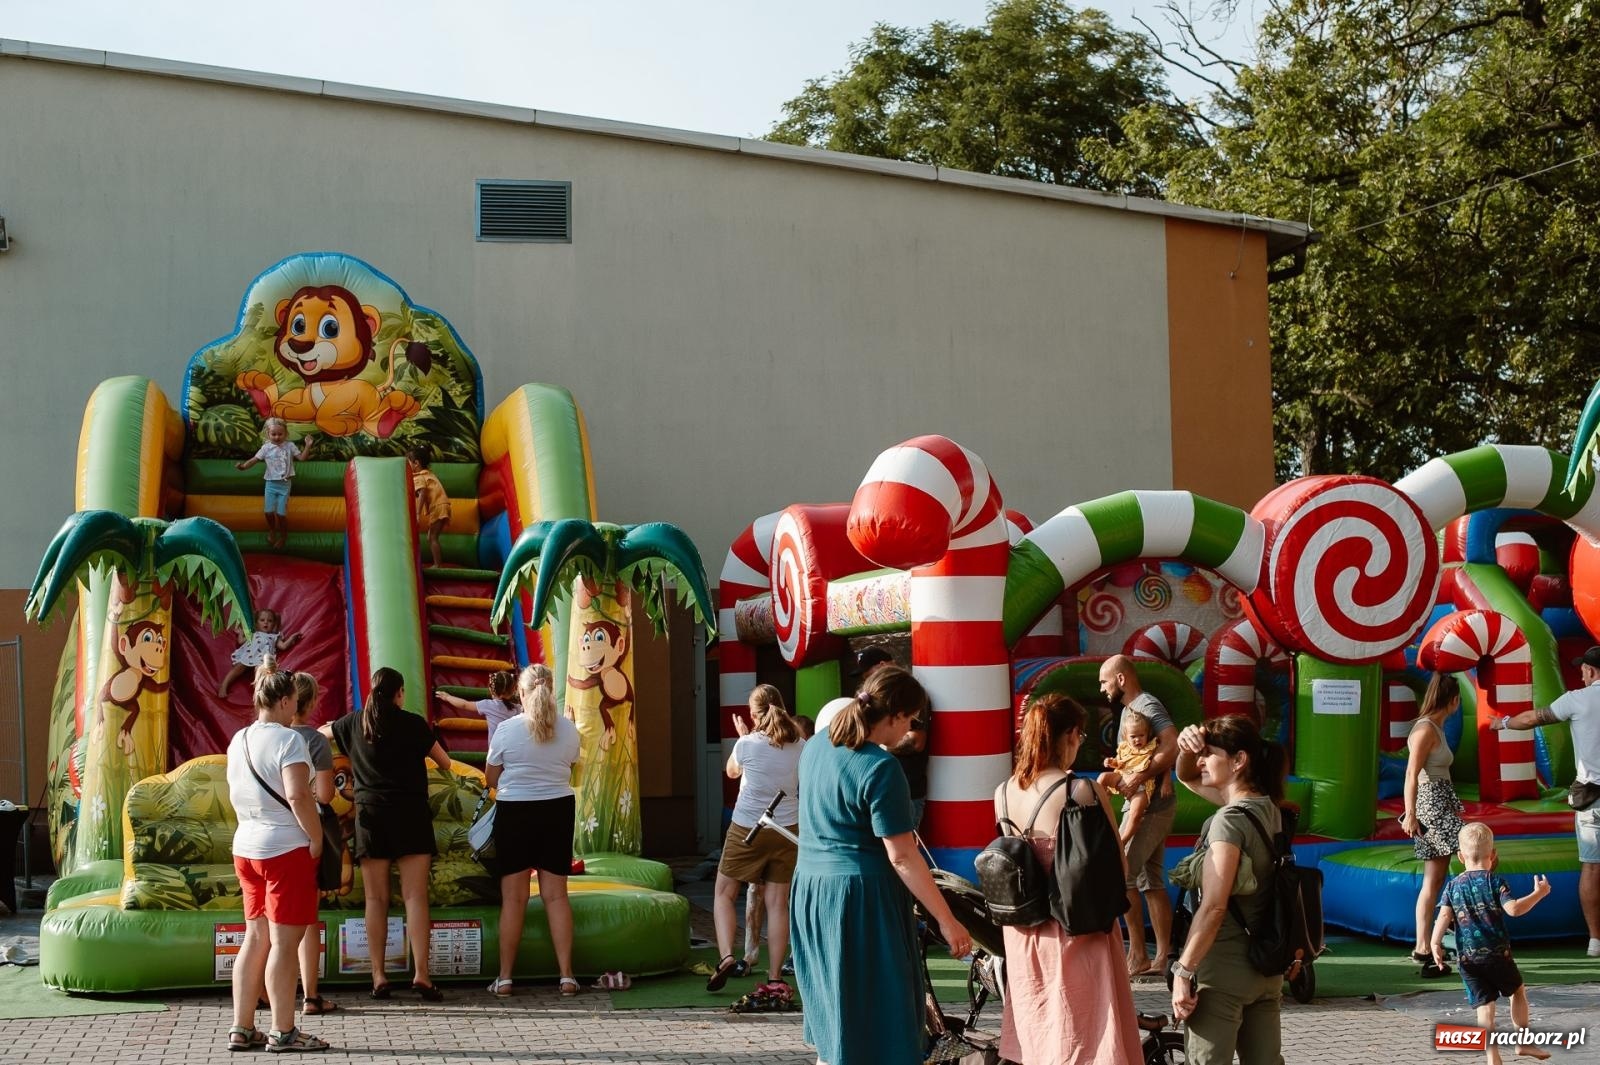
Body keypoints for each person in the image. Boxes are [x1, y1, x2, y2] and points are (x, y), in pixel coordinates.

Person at [790, 664, 973, 1065]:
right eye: (908, 719)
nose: (908, 731)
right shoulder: (880, 767)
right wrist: (946, 919)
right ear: (892, 715)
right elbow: (903, 855)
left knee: (837, 1015)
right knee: (880, 1016)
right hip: (859, 900)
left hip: (811, 891)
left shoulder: (817, 745)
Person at [994, 692, 1143, 1065]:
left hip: (1025, 933)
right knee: (1086, 1034)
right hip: (1077, 926)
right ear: (1071, 735)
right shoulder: (1081, 791)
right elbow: (1118, 869)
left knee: (1040, 1030)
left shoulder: (1003, 793)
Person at [323, 667, 451, 1000]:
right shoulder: (413, 724)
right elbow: (446, 763)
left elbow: (320, 734)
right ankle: (422, 974)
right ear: (399, 693)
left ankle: (379, 976)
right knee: (415, 897)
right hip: (411, 816)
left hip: (371, 818)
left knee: (376, 900)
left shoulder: (353, 723)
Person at [1169, 714, 1287, 1065]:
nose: (1201, 760)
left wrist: (1184, 970)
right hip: (1266, 971)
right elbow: (1185, 774)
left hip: (1221, 977)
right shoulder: (1268, 810)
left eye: (1209, 753)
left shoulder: (1229, 821)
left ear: (1239, 760)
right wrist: (1187, 747)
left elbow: (1215, 906)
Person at [224, 669, 329, 1052]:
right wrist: (316, 838)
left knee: (255, 938)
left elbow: (236, 791)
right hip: (285, 849)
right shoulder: (288, 740)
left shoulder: (239, 739)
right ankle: (283, 1031)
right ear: (284, 701)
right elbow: (300, 796)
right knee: (286, 944)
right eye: (292, 704)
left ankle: (241, 1026)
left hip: (246, 847)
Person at [1492, 645, 1600, 958]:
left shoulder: (1576, 699)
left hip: (1592, 797)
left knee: (1592, 868)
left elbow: (1533, 718)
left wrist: (1504, 722)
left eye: (1583, 668)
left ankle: (1595, 940)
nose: (1580, 672)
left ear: (1591, 672)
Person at [483, 665, 583, 997]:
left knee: (513, 899)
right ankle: (567, 976)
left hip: (515, 812)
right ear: (551, 691)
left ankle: (506, 978)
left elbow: (491, 779)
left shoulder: (506, 731)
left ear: (520, 694)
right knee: (556, 897)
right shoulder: (569, 730)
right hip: (557, 810)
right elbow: (570, 770)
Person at [707, 684, 804, 1002]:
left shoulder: (747, 744)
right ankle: (775, 976)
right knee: (778, 903)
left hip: (747, 826)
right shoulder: (800, 744)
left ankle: (725, 956)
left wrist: (742, 737)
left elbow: (732, 772)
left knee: (724, 892)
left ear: (753, 714)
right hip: (786, 827)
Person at [1428, 823, 1554, 1064]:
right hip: (1497, 955)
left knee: (1484, 1008)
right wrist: (1539, 894)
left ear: (1460, 856)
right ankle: (1523, 1042)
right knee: (1517, 992)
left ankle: (1492, 1056)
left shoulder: (1453, 886)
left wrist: (1434, 943)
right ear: (1493, 854)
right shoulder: (1495, 882)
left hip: (1468, 959)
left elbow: (1444, 916)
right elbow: (1514, 909)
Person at [1097, 654, 1179, 977]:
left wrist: (1139, 777)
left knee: (1124, 874)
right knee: (1151, 880)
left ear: (1120, 679)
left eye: (1104, 682)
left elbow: (1171, 744)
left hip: (1150, 808)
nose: (1102, 689)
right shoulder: (1133, 710)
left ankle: (1138, 955)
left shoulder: (1146, 706)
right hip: (1149, 806)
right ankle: (1160, 957)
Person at [1399, 672, 1464, 976]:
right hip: (1431, 804)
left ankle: (1435, 936)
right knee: (1437, 876)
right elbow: (1411, 773)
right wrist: (1410, 813)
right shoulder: (1426, 729)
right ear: (1453, 701)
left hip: (1442, 802)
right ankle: (1425, 942)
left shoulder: (1438, 726)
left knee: (1439, 877)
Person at [290, 670, 338, 1016]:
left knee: (265, 921)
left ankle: (263, 991)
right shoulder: (316, 742)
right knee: (307, 918)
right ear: (311, 703)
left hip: (260, 837)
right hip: (304, 834)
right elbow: (323, 794)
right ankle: (310, 995)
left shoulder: (259, 736)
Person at [235, 417, 314, 549]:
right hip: (270, 484)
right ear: (268, 434)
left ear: (286, 434)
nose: (277, 437)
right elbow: (254, 460)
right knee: (268, 512)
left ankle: (283, 536)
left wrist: (308, 445)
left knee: (281, 514)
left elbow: (302, 458)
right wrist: (243, 467)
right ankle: (272, 530)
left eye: (280, 434)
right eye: (273, 434)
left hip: (284, 485)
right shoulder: (266, 448)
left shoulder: (290, 446)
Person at [1101, 709, 1159, 848]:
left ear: (1147, 734)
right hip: (1122, 777)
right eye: (1133, 736)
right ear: (1126, 737)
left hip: (1142, 787)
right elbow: (1120, 763)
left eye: (1141, 735)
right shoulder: (1124, 748)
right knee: (1103, 777)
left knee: (1135, 814)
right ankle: (1101, 805)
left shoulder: (1152, 747)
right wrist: (1111, 762)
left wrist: (1167, 781)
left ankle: (1124, 840)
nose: (1138, 739)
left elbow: (1164, 763)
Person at [218, 608, 303, 697]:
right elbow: (240, 641)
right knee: (239, 667)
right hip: (249, 654)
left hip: (263, 659)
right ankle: (224, 685)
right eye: (262, 620)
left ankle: (260, 694)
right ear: (256, 623)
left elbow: (283, 646)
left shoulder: (274, 636)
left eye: (270, 621)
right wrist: (241, 632)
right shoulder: (253, 633)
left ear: (274, 624)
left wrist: (292, 638)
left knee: (261, 674)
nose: (266, 622)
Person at [435, 670, 520, 742]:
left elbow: (464, 704)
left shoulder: (487, 705)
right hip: (513, 746)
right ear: (512, 690)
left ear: (492, 689)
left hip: (496, 748)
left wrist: (447, 697)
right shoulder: (517, 708)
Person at [410, 448, 451, 568]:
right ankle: (438, 564)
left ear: (416, 463)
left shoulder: (418, 476)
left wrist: (418, 513)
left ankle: (438, 565)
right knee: (432, 536)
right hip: (443, 505)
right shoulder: (428, 473)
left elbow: (422, 493)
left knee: (432, 537)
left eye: (409, 463)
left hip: (438, 506)